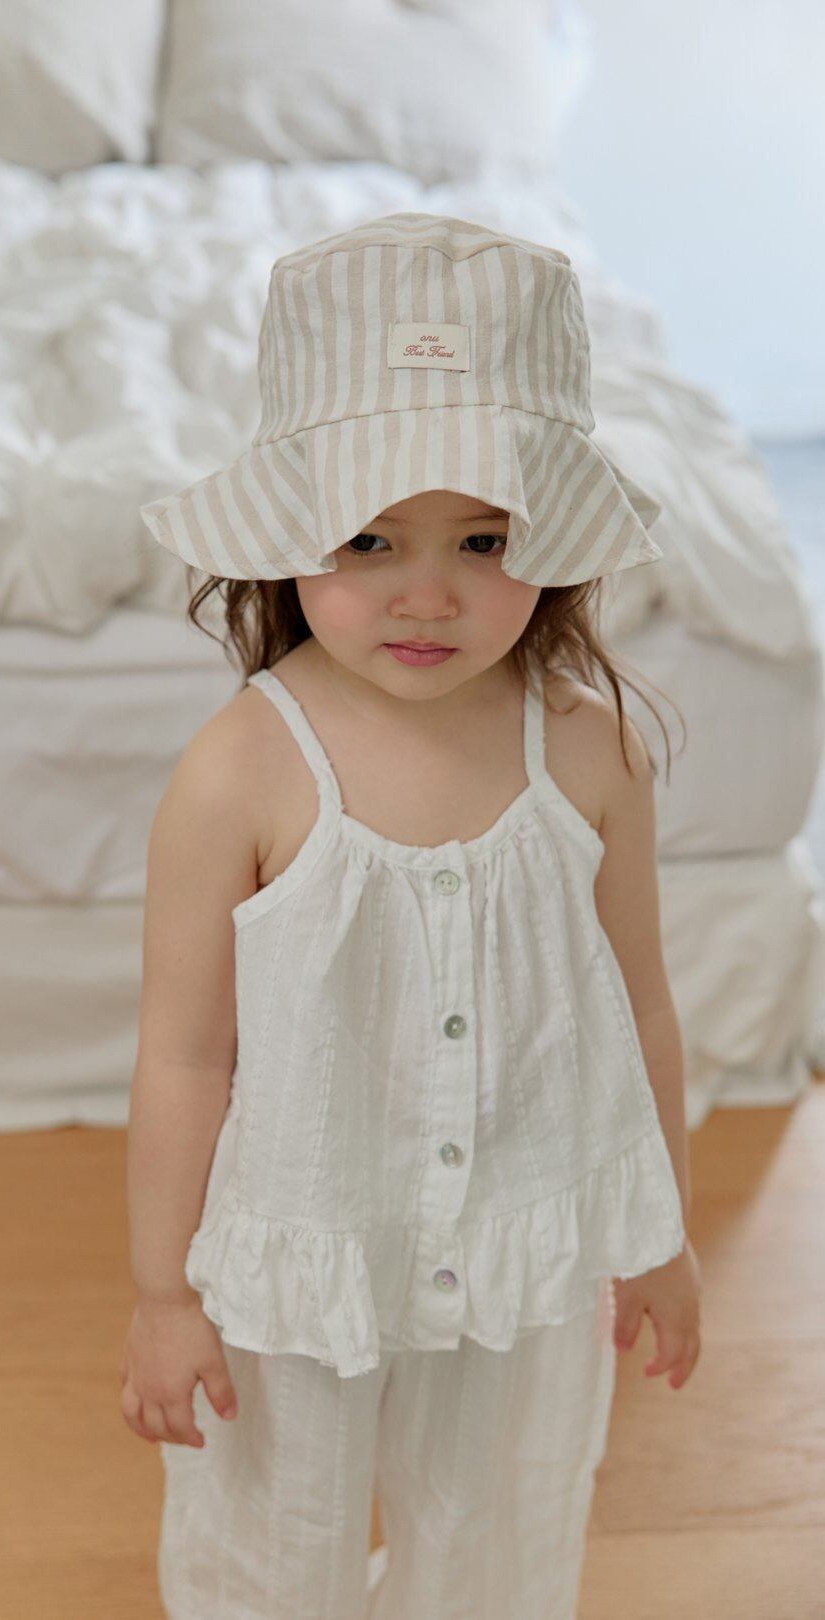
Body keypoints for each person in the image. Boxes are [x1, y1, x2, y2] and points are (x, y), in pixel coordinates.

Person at [124, 213, 703, 1620]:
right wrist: (163, 1295)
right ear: (287, 534)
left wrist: (662, 1232)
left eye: (485, 538)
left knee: (497, 1535)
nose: (428, 592)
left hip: (526, 1240)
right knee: (280, 1546)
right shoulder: (242, 771)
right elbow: (187, 1056)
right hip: (302, 1248)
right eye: (370, 536)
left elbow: (638, 1006)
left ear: (551, 539)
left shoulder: (588, 752)